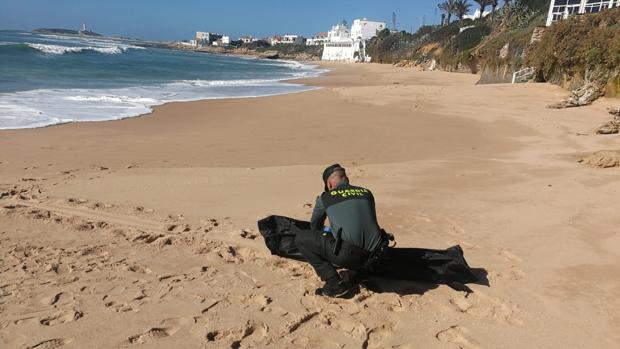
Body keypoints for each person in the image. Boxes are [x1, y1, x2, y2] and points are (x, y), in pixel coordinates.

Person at [295, 164, 385, 298]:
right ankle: (362, 275)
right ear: (346, 179)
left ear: (329, 184)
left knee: (301, 238)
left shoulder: (325, 197)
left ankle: (334, 283)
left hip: (348, 256)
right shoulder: (367, 192)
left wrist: (326, 232)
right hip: (377, 256)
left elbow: (315, 226)